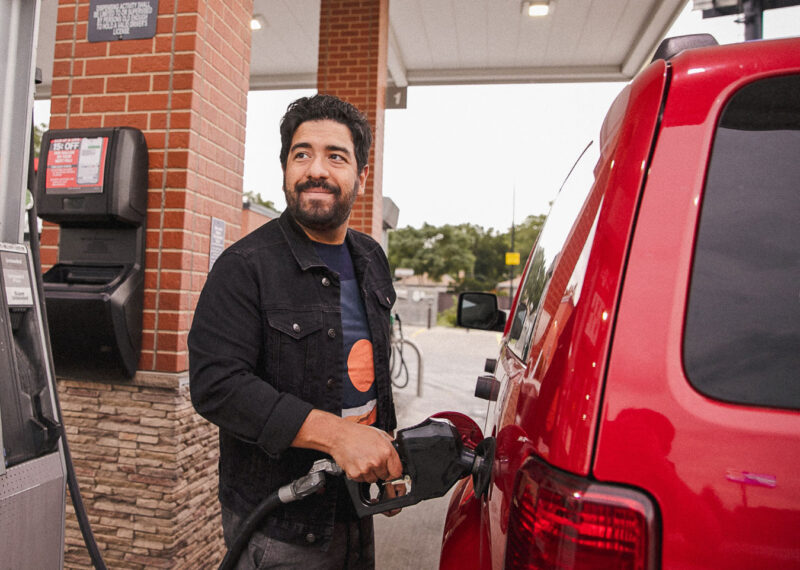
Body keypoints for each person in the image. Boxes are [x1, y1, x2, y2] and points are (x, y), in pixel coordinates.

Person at [188, 94, 403, 569]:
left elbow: (371, 372)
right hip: (282, 523)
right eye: (301, 154)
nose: (316, 169)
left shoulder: (371, 259)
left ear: (361, 178)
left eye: (336, 156)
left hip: (355, 502)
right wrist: (336, 436)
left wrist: (381, 453)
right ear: (285, 169)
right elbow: (216, 386)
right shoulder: (245, 267)